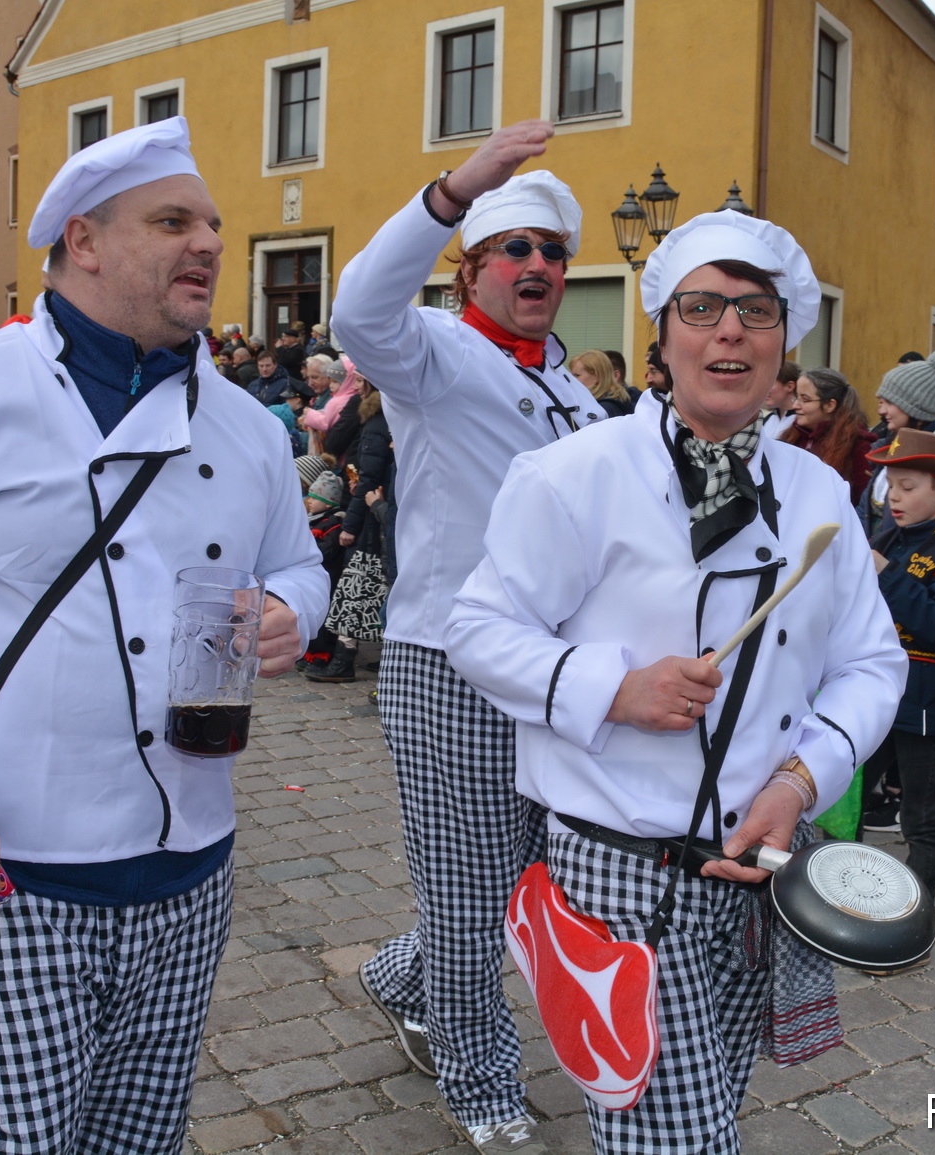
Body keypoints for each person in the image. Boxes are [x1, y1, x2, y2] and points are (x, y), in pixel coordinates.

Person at [0, 118, 329, 1153]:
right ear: (84, 241)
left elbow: (298, 563)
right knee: (17, 1140)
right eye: (173, 221)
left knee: (146, 1136)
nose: (210, 243)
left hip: (192, 857)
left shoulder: (243, 424)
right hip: (13, 862)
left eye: (214, 224)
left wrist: (290, 612)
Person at [445, 208, 905, 1155]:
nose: (729, 329)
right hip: (619, 872)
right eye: (702, 307)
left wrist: (800, 780)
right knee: (676, 1139)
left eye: (755, 310)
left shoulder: (819, 494)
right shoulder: (571, 475)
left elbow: (871, 662)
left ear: (785, 346)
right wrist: (610, 686)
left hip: (762, 869)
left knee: (711, 1104)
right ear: (662, 336)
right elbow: (477, 629)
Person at [330, 120, 604, 1153]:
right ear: (472, 269)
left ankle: (402, 976)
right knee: (466, 881)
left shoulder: (574, 390)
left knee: (525, 875)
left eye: (551, 253)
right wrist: (455, 189)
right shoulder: (435, 354)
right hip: (447, 662)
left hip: (549, 670)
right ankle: (479, 1074)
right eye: (513, 250)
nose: (537, 266)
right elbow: (359, 308)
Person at [857, 429, 935, 893]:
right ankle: (841, 891)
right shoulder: (888, 537)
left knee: (920, 813)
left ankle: (919, 908)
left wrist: (887, 575)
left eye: (908, 487)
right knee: (848, 798)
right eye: (891, 486)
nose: (894, 497)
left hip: (923, 701)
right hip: (873, 695)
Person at [306, 378, 392, 683]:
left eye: (359, 380)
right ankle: (388, 657)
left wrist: (350, 526)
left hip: (372, 517)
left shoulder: (376, 422)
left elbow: (369, 478)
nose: (355, 386)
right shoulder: (390, 417)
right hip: (379, 510)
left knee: (353, 590)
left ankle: (343, 661)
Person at [865, 349, 935, 532]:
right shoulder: (890, 446)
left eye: (889, 402)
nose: (881, 411)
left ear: (915, 407)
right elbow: (866, 511)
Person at [779, 366, 876, 503]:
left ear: (830, 405)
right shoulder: (791, 438)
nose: (795, 406)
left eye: (805, 399)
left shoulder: (858, 446)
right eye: (796, 397)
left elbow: (862, 503)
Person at [300, 353, 359, 456]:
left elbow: (326, 424)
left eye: (314, 377)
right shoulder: (321, 397)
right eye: (307, 378)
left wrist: (309, 415)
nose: (310, 383)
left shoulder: (335, 400)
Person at [569, 348, 633, 418]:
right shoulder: (616, 401)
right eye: (571, 375)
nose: (571, 380)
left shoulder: (603, 409)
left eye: (577, 375)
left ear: (598, 376)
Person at [760, 358, 799, 441]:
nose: (765, 389)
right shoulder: (767, 419)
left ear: (790, 386)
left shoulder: (801, 423)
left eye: (771, 383)